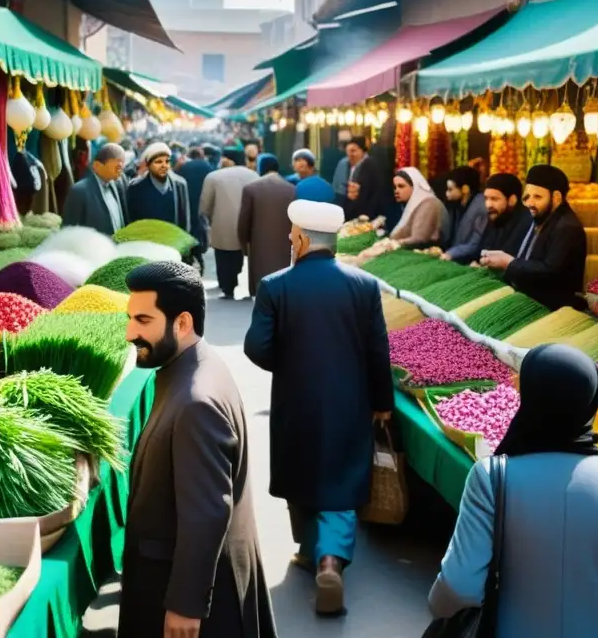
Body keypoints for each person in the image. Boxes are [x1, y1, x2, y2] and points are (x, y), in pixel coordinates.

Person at [429, 344, 598, 636]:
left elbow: (458, 587)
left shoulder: (492, 478)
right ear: (591, 403)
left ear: (531, 400)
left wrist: (438, 612)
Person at [244, 199, 393, 616]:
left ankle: (310, 552)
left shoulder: (275, 285)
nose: (290, 241)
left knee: (301, 471)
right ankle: (331, 561)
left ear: (304, 239)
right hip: (350, 401)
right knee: (340, 479)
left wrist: (292, 365)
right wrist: (381, 403)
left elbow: (256, 347)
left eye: (293, 236)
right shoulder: (364, 285)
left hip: (296, 400)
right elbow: (378, 350)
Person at [118, 262, 277, 638]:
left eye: (143, 320)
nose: (130, 333)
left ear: (182, 323)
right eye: (129, 319)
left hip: (195, 606)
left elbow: (206, 512)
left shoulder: (195, 402)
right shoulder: (192, 366)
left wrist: (185, 604)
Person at [480, 164, 587, 310]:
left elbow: (550, 272)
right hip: (530, 301)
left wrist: (509, 263)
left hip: (552, 310)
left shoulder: (567, 227)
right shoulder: (541, 218)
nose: (530, 203)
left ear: (556, 197)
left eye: (537, 197)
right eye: (528, 197)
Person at [200, 147, 258, 299]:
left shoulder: (213, 176)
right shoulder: (253, 176)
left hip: (221, 223)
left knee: (223, 257)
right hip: (247, 224)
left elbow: (205, 204)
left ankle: (227, 287)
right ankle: (244, 283)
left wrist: (208, 216)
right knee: (242, 255)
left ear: (227, 159)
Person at [238, 154, 295, 297]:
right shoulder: (291, 189)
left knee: (261, 286)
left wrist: (244, 245)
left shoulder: (251, 188)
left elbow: (244, 221)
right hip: (284, 244)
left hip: (259, 244)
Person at [61, 143, 128, 235]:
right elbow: (68, 230)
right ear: (97, 165)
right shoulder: (79, 191)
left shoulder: (117, 185)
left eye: (121, 167)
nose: (120, 171)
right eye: (117, 167)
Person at [126, 142, 193, 234]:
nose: (163, 165)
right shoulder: (135, 187)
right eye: (158, 162)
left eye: (167, 161)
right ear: (148, 165)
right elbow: (132, 220)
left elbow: (185, 219)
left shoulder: (180, 184)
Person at [388, 167, 448, 248]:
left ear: (414, 187)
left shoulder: (429, 204)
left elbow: (419, 238)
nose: (396, 191)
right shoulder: (411, 204)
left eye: (401, 186)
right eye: (395, 187)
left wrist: (393, 244)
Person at [177, 146, 214, 273]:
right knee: (200, 229)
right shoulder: (207, 167)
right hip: (201, 202)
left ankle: (190, 258)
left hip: (187, 202)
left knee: (188, 230)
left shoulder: (183, 167)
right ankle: (200, 258)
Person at [441, 166, 488, 264]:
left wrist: (450, 254)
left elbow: (476, 244)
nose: (446, 194)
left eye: (450, 189)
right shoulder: (458, 206)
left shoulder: (481, 207)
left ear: (465, 189)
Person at [479, 173, 532, 257]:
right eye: (486, 198)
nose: (488, 205)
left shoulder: (526, 221)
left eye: (494, 199)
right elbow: (483, 249)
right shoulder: (496, 216)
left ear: (512, 200)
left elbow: (508, 256)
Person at [342, 137, 384, 221]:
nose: (350, 154)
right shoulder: (351, 166)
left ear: (363, 151)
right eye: (348, 152)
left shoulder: (369, 166)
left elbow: (368, 194)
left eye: (353, 151)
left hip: (366, 216)